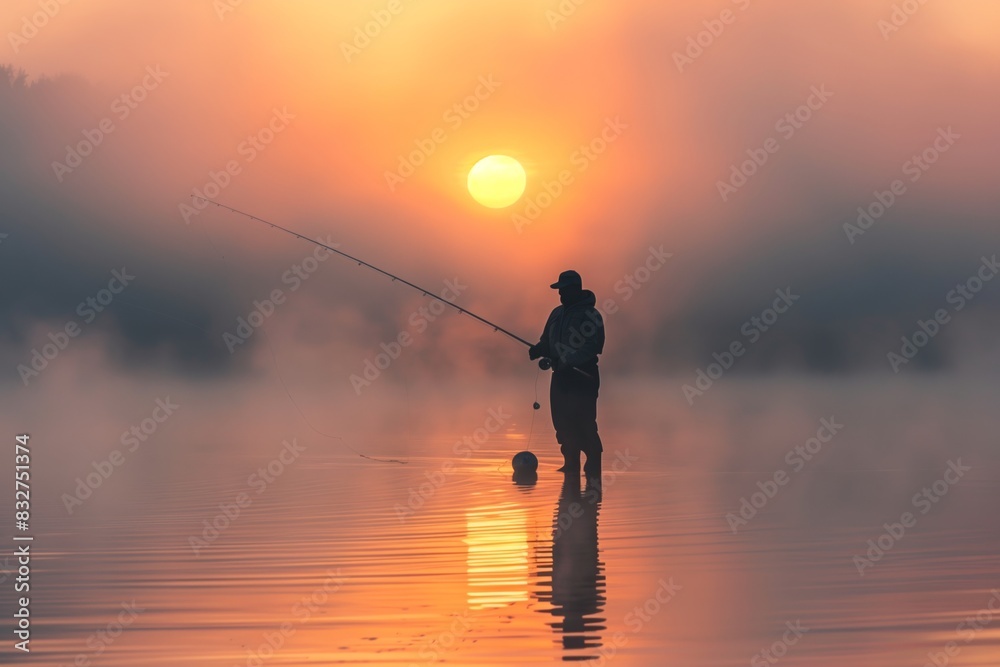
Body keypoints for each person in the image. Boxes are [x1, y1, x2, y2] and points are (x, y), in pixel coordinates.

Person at [528, 270, 605, 479]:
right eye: (559, 290)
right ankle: (570, 464)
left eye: (564, 290)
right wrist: (538, 350)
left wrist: (569, 360)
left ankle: (593, 466)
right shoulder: (556, 314)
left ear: (576, 289)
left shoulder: (592, 315)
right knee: (562, 421)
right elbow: (547, 341)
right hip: (560, 377)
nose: (560, 294)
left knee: (584, 422)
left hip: (584, 376)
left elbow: (594, 346)